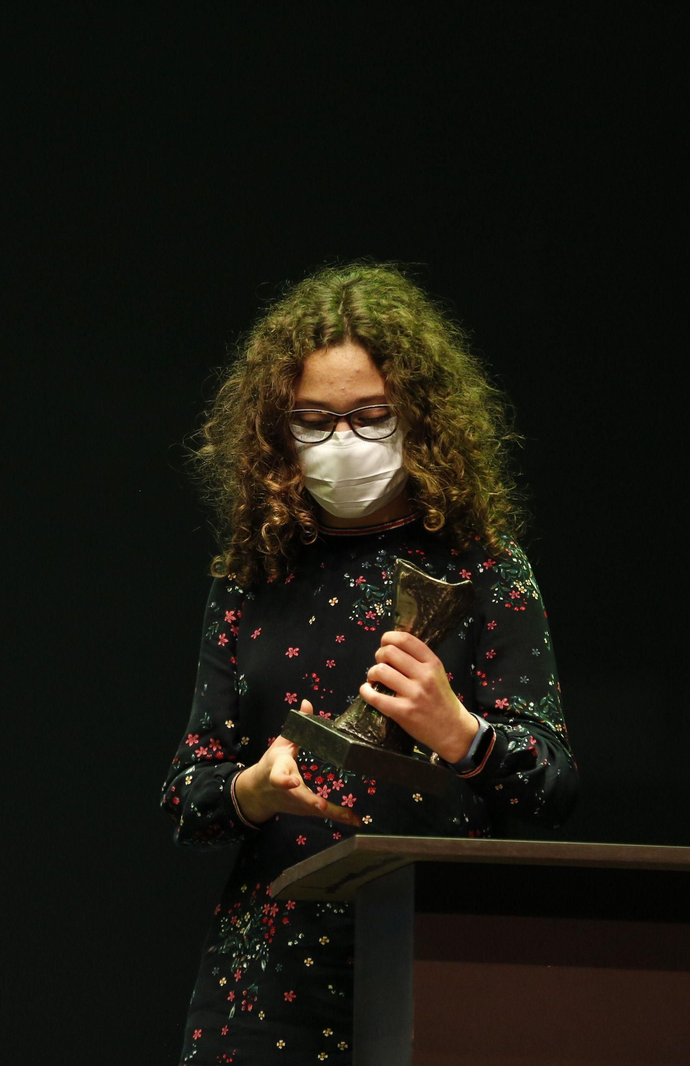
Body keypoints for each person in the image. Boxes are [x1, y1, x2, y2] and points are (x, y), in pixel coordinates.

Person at [161, 262, 577, 1064]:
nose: (343, 441)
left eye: (371, 416)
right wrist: (252, 791)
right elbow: (188, 796)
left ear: (418, 417)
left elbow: (554, 788)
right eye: (314, 420)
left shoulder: (484, 566)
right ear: (278, 429)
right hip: (267, 987)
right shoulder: (255, 574)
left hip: (443, 966)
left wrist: (463, 736)